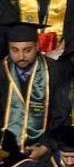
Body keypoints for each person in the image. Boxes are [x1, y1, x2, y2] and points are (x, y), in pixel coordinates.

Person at [0, 21, 67, 155]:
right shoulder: (1, 71)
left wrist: (46, 146)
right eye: (15, 50)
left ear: (37, 46)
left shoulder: (56, 71)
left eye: (27, 50)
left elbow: (61, 115)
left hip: (43, 149)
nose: (21, 56)